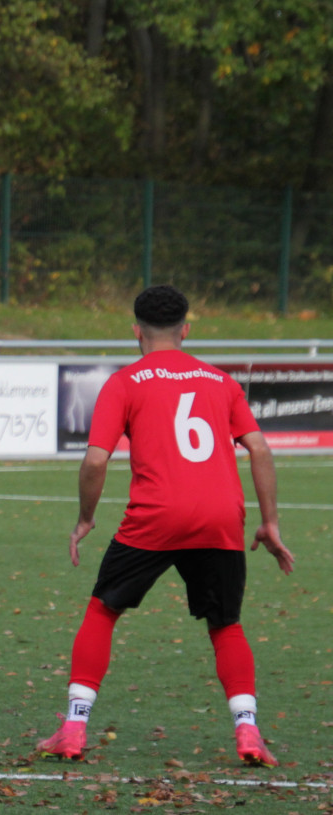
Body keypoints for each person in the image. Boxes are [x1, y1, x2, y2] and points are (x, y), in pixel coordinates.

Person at [36, 285, 295, 766]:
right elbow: (259, 448)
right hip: (220, 518)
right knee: (226, 625)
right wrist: (271, 522)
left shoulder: (126, 382)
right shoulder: (221, 381)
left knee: (103, 610)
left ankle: (73, 728)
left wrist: (86, 518)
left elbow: (95, 461)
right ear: (186, 331)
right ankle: (248, 733)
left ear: (136, 331)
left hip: (155, 517)